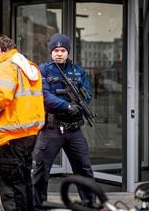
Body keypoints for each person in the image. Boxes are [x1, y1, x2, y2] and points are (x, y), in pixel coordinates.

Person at [32, 33, 96, 208]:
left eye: (63, 50)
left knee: (84, 169)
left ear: (68, 52)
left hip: (74, 129)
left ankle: (90, 205)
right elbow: (44, 96)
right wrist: (66, 106)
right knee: (40, 171)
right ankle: (38, 206)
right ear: (51, 52)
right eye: (56, 50)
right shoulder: (43, 70)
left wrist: (77, 104)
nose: (59, 53)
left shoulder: (79, 71)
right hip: (51, 129)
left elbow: (87, 95)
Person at [0, 34, 45, 211]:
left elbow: (3, 95)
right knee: (24, 179)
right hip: (30, 132)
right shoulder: (29, 66)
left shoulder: (6, 64)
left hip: (12, 133)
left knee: (10, 182)